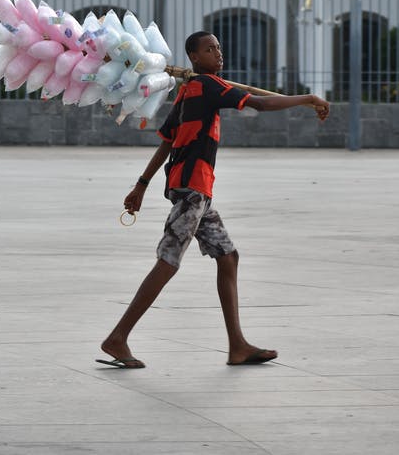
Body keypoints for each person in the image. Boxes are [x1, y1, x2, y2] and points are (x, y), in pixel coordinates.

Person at [97, 31, 330, 369]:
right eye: (209, 49)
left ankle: (237, 345)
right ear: (194, 57)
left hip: (195, 189)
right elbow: (261, 103)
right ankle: (117, 337)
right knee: (168, 260)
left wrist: (142, 185)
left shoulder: (189, 92)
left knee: (228, 256)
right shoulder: (207, 86)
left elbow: (166, 142)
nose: (218, 54)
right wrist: (307, 98)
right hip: (192, 189)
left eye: (219, 47)